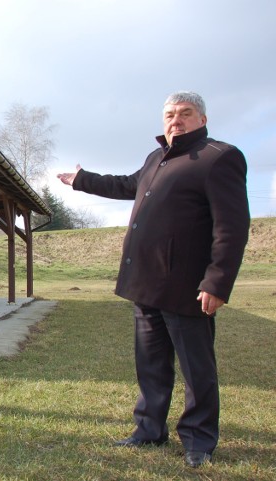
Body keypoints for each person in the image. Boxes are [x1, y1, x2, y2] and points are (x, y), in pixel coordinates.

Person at [58, 91, 250, 468]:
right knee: (151, 364)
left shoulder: (219, 157)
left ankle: (198, 441)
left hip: (187, 288)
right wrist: (81, 180)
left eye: (185, 114)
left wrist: (216, 281)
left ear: (202, 120)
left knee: (197, 370)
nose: (175, 121)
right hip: (145, 283)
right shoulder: (155, 158)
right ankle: (149, 430)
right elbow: (125, 185)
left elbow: (232, 227)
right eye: (169, 115)